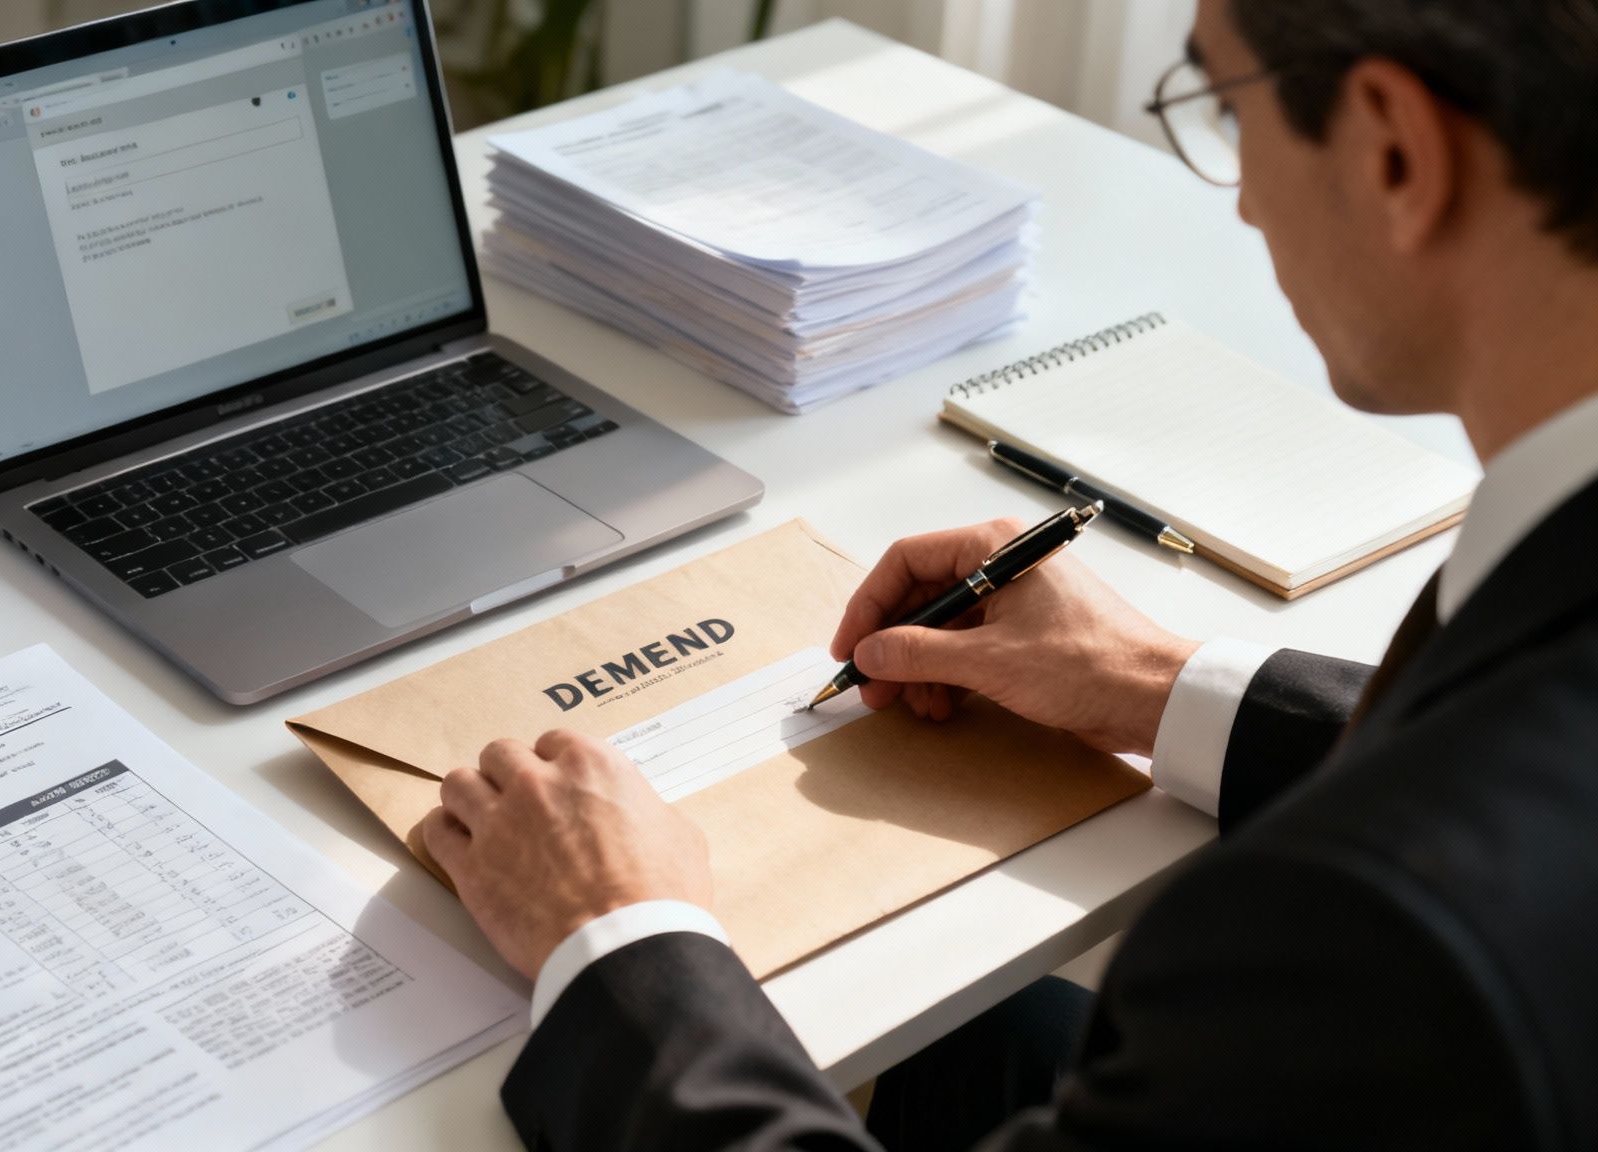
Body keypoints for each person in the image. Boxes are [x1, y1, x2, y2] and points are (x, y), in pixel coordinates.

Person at [420, 1, 1598, 1148]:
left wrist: (619, 942)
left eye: (1229, 110)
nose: (1239, 202)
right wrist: (1156, 682)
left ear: (1394, 148)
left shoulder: (1354, 936)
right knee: (949, 1035)